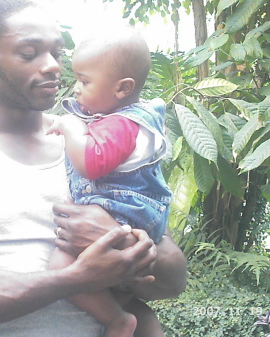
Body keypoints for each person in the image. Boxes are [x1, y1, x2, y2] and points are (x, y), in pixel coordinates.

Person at [0, 1, 187, 337]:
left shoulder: (100, 144)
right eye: (29, 53)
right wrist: (75, 278)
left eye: (58, 53)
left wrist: (119, 241)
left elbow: (174, 279)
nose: (52, 66)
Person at [46, 24, 172, 337]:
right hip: (125, 213)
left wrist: (72, 129)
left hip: (122, 211)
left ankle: (118, 320)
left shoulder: (123, 123)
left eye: (84, 81)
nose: (75, 87)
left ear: (122, 89)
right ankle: (118, 306)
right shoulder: (113, 117)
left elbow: (92, 163)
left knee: (61, 266)